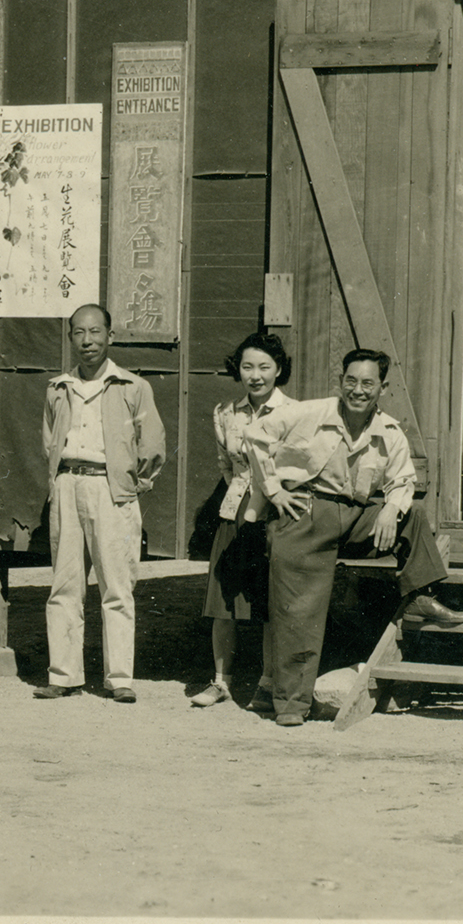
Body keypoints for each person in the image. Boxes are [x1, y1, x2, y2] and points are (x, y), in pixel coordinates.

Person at [248, 348, 463, 727]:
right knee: (298, 611)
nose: (358, 390)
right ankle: (290, 705)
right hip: (307, 512)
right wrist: (274, 491)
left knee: (412, 516)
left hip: (355, 515)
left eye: (368, 383)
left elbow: (403, 479)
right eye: (351, 381)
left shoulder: (389, 431)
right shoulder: (310, 413)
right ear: (341, 382)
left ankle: (420, 596)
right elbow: (255, 434)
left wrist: (389, 508)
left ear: (381, 387)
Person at [36, 303, 167, 702]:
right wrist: (61, 479)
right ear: (71, 337)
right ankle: (63, 675)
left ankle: (120, 678)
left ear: (110, 335)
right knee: (65, 584)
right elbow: (49, 440)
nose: (88, 340)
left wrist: (133, 484)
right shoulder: (58, 388)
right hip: (67, 486)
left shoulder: (132, 386)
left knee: (117, 585)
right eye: (79, 332)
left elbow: (154, 444)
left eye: (96, 332)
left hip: (112, 491)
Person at [190, 331, 296, 711]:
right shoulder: (225, 414)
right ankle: (221, 682)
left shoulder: (293, 413)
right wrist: (239, 502)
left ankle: (268, 684)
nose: (256, 375)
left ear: (278, 370)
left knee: (270, 602)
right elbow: (226, 465)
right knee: (224, 603)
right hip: (234, 511)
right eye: (248, 366)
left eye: (265, 367)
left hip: (277, 512)